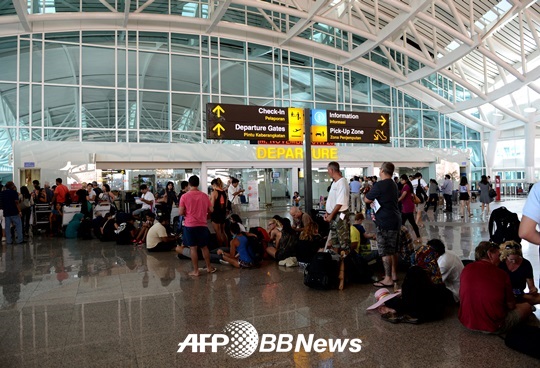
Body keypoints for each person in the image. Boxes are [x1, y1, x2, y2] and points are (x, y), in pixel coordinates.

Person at [459, 241, 532, 334]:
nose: (500, 258)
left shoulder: (466, 268)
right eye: (499, 255)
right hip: (493, 325)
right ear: (490, 254)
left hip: (466, 322)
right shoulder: (501, 274)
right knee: (527, 307)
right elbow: (511, 306)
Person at [365, 162, 401, 287]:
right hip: (395, 219)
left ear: (382, 171)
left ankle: (388, 278)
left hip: (384, 221)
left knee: (385, 251)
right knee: (393, 250)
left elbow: (366, 199)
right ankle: (394, 274)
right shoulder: (394, 184)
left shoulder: (380, 185)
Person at [178, 175, 215, 276]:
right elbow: (211, 210)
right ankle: (209, 267)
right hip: (202, 225)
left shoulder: (184, 196)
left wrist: (188, 212)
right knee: (204, 247)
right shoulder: (204, 196)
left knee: (193, 248)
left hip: (190, 225)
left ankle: (196, 271)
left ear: (189, 184)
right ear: (198, 184)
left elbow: (180, 212)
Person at [498, 240, 540, 305]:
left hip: (520, 294)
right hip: (504, 294)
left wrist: (533, 290)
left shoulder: (526, 264)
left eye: (516, 259)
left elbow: (531, 286)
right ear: (505, 256)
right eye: (511, 260)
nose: (514, 262)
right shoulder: (500, 263)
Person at [324, 161, 350, 253]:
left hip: (340, 215)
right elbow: (333, 199)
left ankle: (345, 263)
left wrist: (331, 215)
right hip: (333, 215)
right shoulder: (334, 182)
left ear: (331, 170)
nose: (328, 172)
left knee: (343, 240)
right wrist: (328, 213)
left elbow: (340, 202)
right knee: (335, 240)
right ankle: (337, 262)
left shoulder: (342, 183)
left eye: (328, 170)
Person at [427, 239, 463, 303]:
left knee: (429, 290)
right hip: (459, 285)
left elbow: (434, 281)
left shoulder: (444, 263)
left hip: (455, 292)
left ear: (436, 253)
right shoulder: (446, 252)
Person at [397, 174, 421, 243]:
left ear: (405, 180)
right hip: (406, 206)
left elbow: (403, 196)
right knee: (403, 223)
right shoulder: (405, 186)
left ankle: (418, 237)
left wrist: (396, 200)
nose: (401, 181)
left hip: (408, 207)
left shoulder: (406, 186)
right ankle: (402, 237)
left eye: (402, 180)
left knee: (410, 222)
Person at [210, 178, 228, 248]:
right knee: (223, 231)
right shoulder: (224, 192)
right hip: (223, 214)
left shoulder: (214, 192)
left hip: (216, 214)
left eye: (212, 186)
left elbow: (212, 205)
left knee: (218, 232)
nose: (212, 187)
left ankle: (220, 248)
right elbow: (225, 205)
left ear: (214, 185)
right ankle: (226, 247)